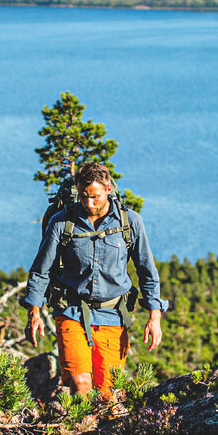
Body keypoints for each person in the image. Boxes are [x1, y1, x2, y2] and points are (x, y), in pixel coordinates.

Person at [23, 162, 165, 397]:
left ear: (108, 190)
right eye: (83, 196)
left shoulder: (130, 222)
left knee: (108, 395)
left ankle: (97, 434)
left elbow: (147, 271)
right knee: (81, 386)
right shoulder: (61, 223)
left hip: (113, 315)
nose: (89, 203)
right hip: (71, 312)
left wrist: (155, 316)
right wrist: (34, 312)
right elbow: (41, 270)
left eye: (95, 197)